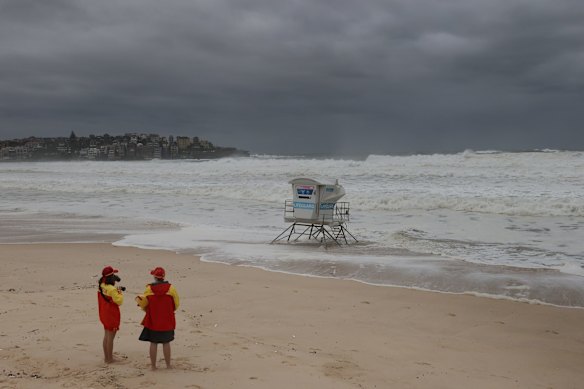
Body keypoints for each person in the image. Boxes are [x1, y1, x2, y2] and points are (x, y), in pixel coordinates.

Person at [136, 267, 180, 370]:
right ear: (164, 277)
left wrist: (147, 311)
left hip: (153, 320)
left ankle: (153, 366)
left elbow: (144, 304)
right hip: (167, 320)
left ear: (155, 277)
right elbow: (176, 304)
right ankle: (168, 366)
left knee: (153, 342)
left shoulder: (148, 289)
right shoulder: (171, 288)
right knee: (166, 342)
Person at [98, 266, 124, 363]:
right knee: (110, 337)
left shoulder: (101, 285)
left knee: (106, 335)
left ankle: (107, 356)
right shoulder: (112, 289)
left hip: (104, 312)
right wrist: (119, 292)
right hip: (111, 314)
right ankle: (110, 359)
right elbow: (119, 301)